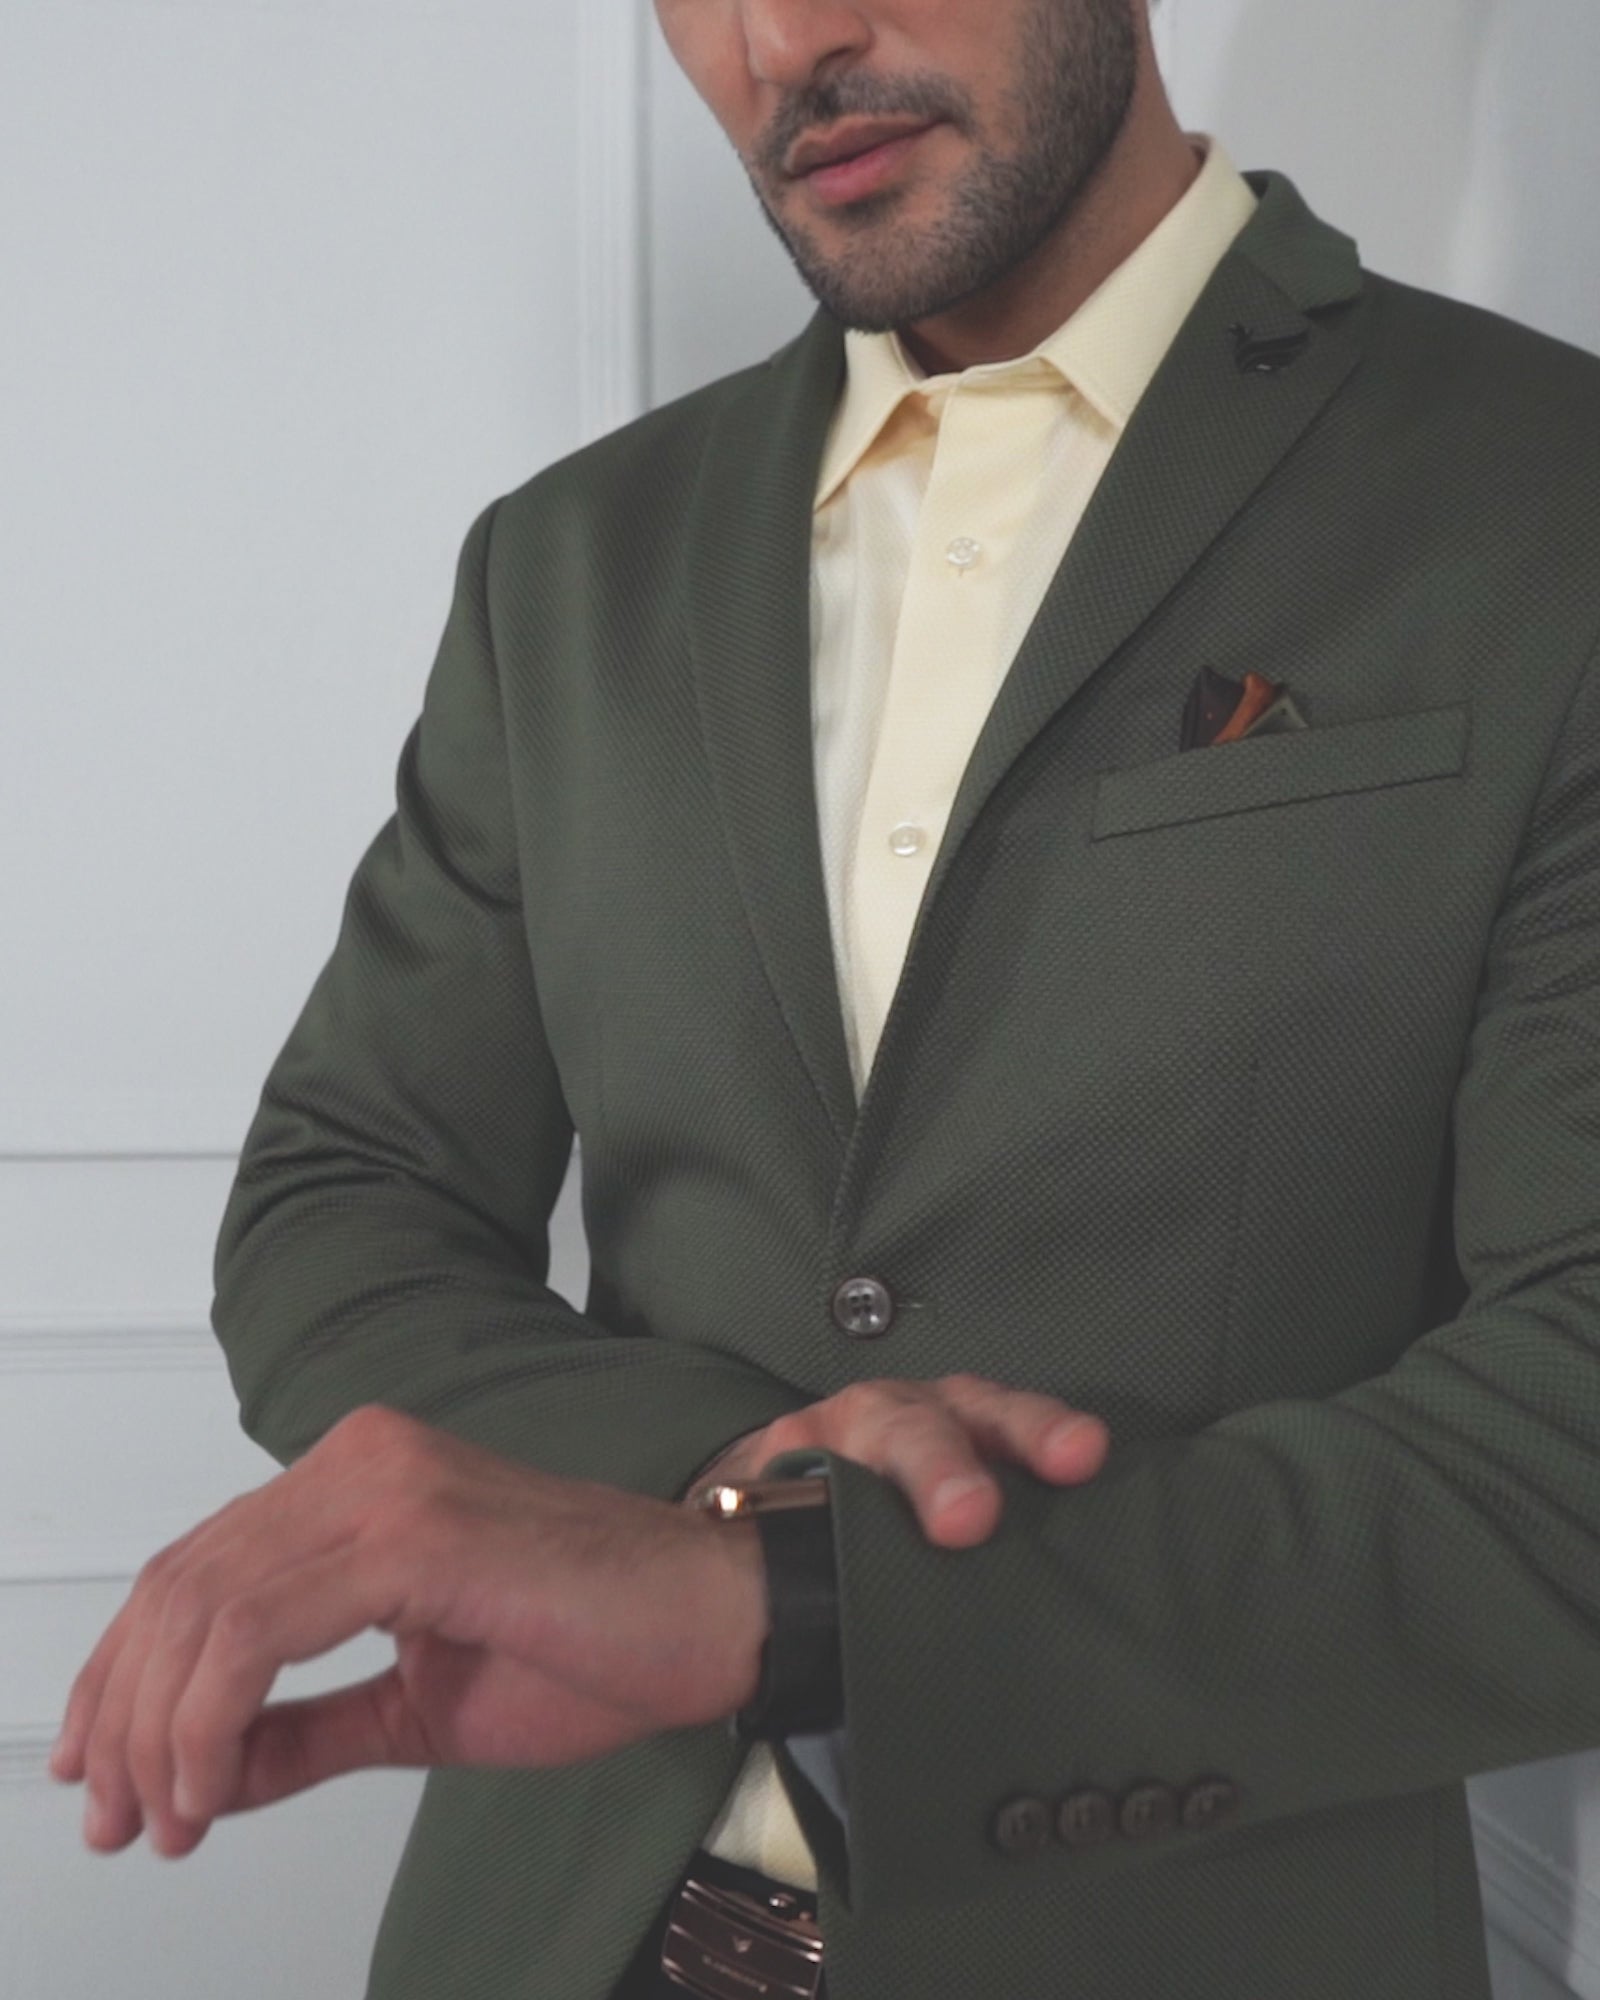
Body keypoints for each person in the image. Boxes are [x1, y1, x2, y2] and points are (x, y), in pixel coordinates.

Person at [46, 1, 1600, 1996]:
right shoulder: (570, 562)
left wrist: (796, 1599)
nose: (781, 39)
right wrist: (730, 1507)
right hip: (550, 1932)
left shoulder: (1543, 497)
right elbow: (341, 1201)